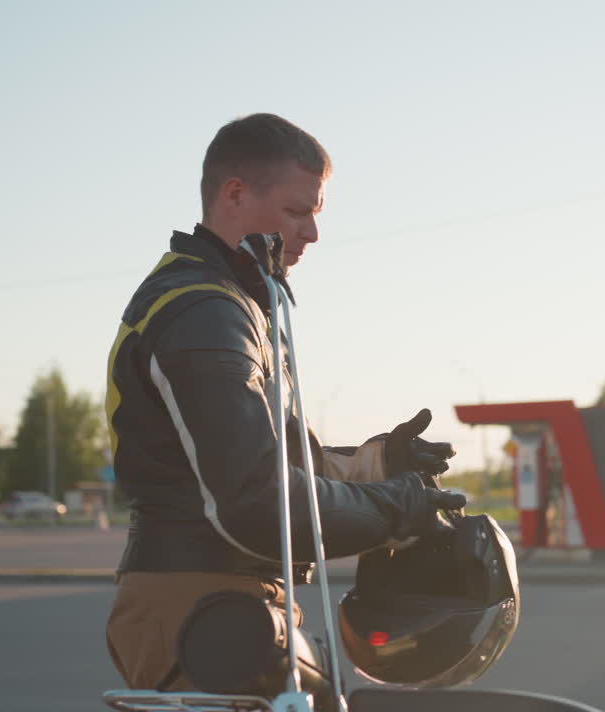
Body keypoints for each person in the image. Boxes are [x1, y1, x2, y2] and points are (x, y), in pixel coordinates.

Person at [104, 112, 465, 692]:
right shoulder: (204, 311)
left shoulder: (236, 302)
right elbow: (255, 499)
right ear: (235, 194)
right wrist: (396, 509)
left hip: (235, 603)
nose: (312, 234)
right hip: (200, 610)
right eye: (297, 212)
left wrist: (380, 464)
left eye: (315, 215)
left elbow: (280, 466)